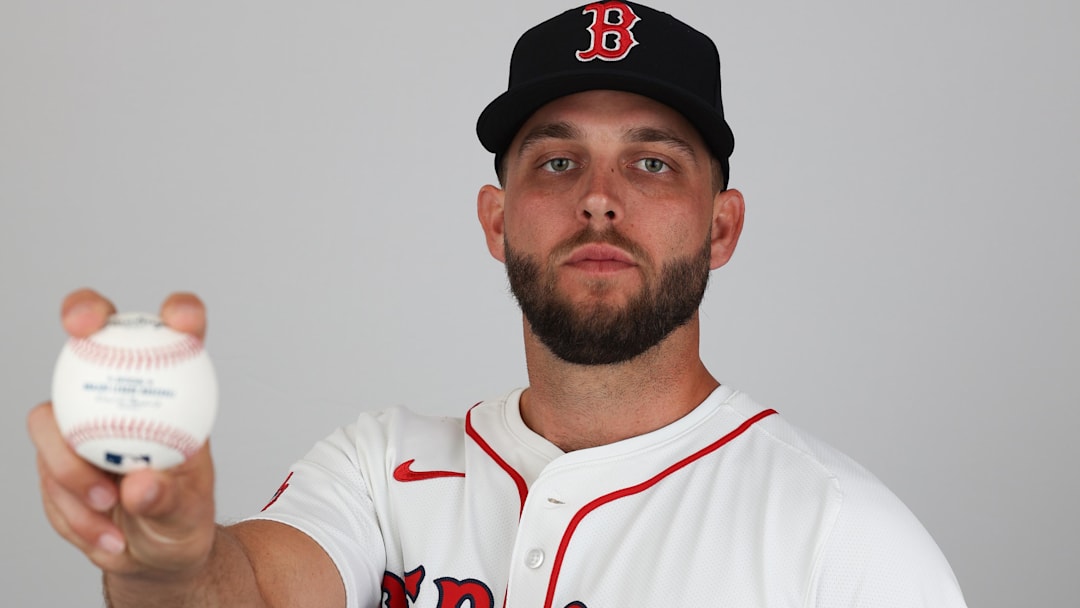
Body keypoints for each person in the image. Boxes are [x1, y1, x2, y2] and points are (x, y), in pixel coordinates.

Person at [28, 2, 968, 606]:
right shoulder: (380, 471)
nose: (600, 195)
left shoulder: (845, 545)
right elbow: (250, 594)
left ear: (721, 227)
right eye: (557, 162)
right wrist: (167, 566)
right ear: (497, 218)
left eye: (652, 163)